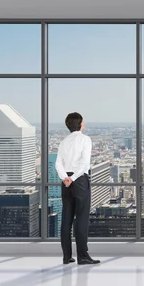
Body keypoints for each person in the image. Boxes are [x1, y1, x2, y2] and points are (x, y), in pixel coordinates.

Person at [55, 112, 100, 265]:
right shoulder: (85, 139)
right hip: (79, 180)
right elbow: (84, 164)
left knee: (66, 219)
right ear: (80, 124)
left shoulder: (63, 142)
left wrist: (65, 178)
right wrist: (73, 179)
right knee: (81, 219)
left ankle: (66, 256)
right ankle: (83, 256)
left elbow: (57, 164)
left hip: (66, 182)